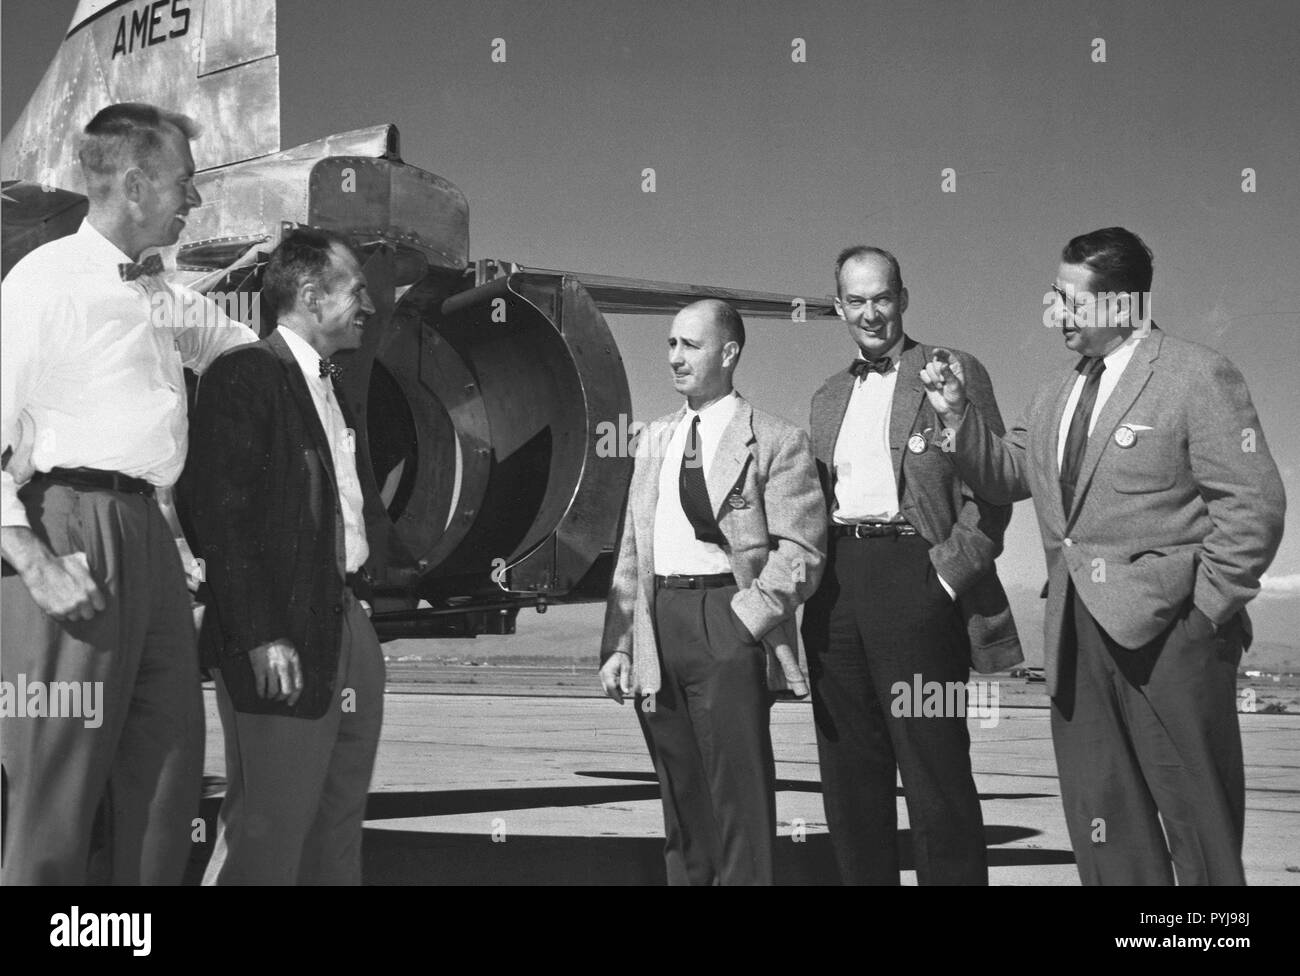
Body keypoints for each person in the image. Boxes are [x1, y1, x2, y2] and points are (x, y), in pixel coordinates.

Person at [920, 226, 1286, 885]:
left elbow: (1253, 503)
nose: (1054, 312)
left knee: (1199, 828)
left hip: (1172, 637)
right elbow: (1007, 474)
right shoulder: (1055, 391)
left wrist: (1204, 612)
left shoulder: (1195, 375)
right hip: (1074, 637)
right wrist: (956, 415)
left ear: (1119, 304)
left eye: (1067, 298)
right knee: (1106, 825)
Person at [0, 102, 256, 884]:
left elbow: (240, 348)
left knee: (168, 767)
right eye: (186, 183)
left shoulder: (161, 290)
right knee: (58, 785)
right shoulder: (44, 282)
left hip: (148, 533)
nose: (196, 201)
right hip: (68, 526)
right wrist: (35, 563)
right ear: (137, 184)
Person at [800, 246, 1020, 885]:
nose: (872, 313)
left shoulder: (951, 369)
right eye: (857, 301)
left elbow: (993, 487)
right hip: (839, 586)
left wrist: (947, 576)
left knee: (936, 773)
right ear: (839, 307)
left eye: (883, 298)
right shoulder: (826, 395)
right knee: (850, 777)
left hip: (918, 576)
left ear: (903, 297)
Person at [599, 298, 825, 885]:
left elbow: (800, 550)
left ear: (729, 353)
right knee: (680, 800)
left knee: (738, 801)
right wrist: (621, 643)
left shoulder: (776, 439)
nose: (675, 357)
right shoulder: (653, 439)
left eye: (690, 345)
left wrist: (743, 620)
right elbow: (631, 551)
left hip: (726, 618)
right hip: (658, 622)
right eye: (671, 344)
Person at [186, 226, 383, 884]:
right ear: (309, 294)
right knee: (266, 832)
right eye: (357, 291)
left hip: (347, 622)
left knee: (338, 824)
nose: (370, 306)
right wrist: (260, 631)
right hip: (281, 632)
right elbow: (219, 513)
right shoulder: (247, 376)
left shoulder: (333, 387)